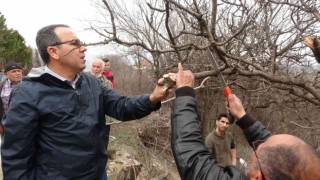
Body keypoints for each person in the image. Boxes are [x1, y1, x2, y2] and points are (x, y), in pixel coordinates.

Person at [1, 24, 174, 180]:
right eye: (75, 43)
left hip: (98, 173)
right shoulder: (27, 93)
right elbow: (16, 156)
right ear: (54, 52)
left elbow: (122, 106)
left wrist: (153, 98)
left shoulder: (91, 82)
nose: (83, 48)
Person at [171, 63, 320, 180]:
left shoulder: (229, 139)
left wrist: (184, 93)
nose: (260, 141)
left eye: (261, 146)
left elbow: (192, 157)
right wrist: (242, 117)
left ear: (257, 177)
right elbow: (276, 154)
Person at [0, 62, 23, 134]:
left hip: (27, 123)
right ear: (6, 74)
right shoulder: (1, 86)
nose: (17, 73)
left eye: (19, 71)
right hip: (7, 124)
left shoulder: (30, 83)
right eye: (14, 71)